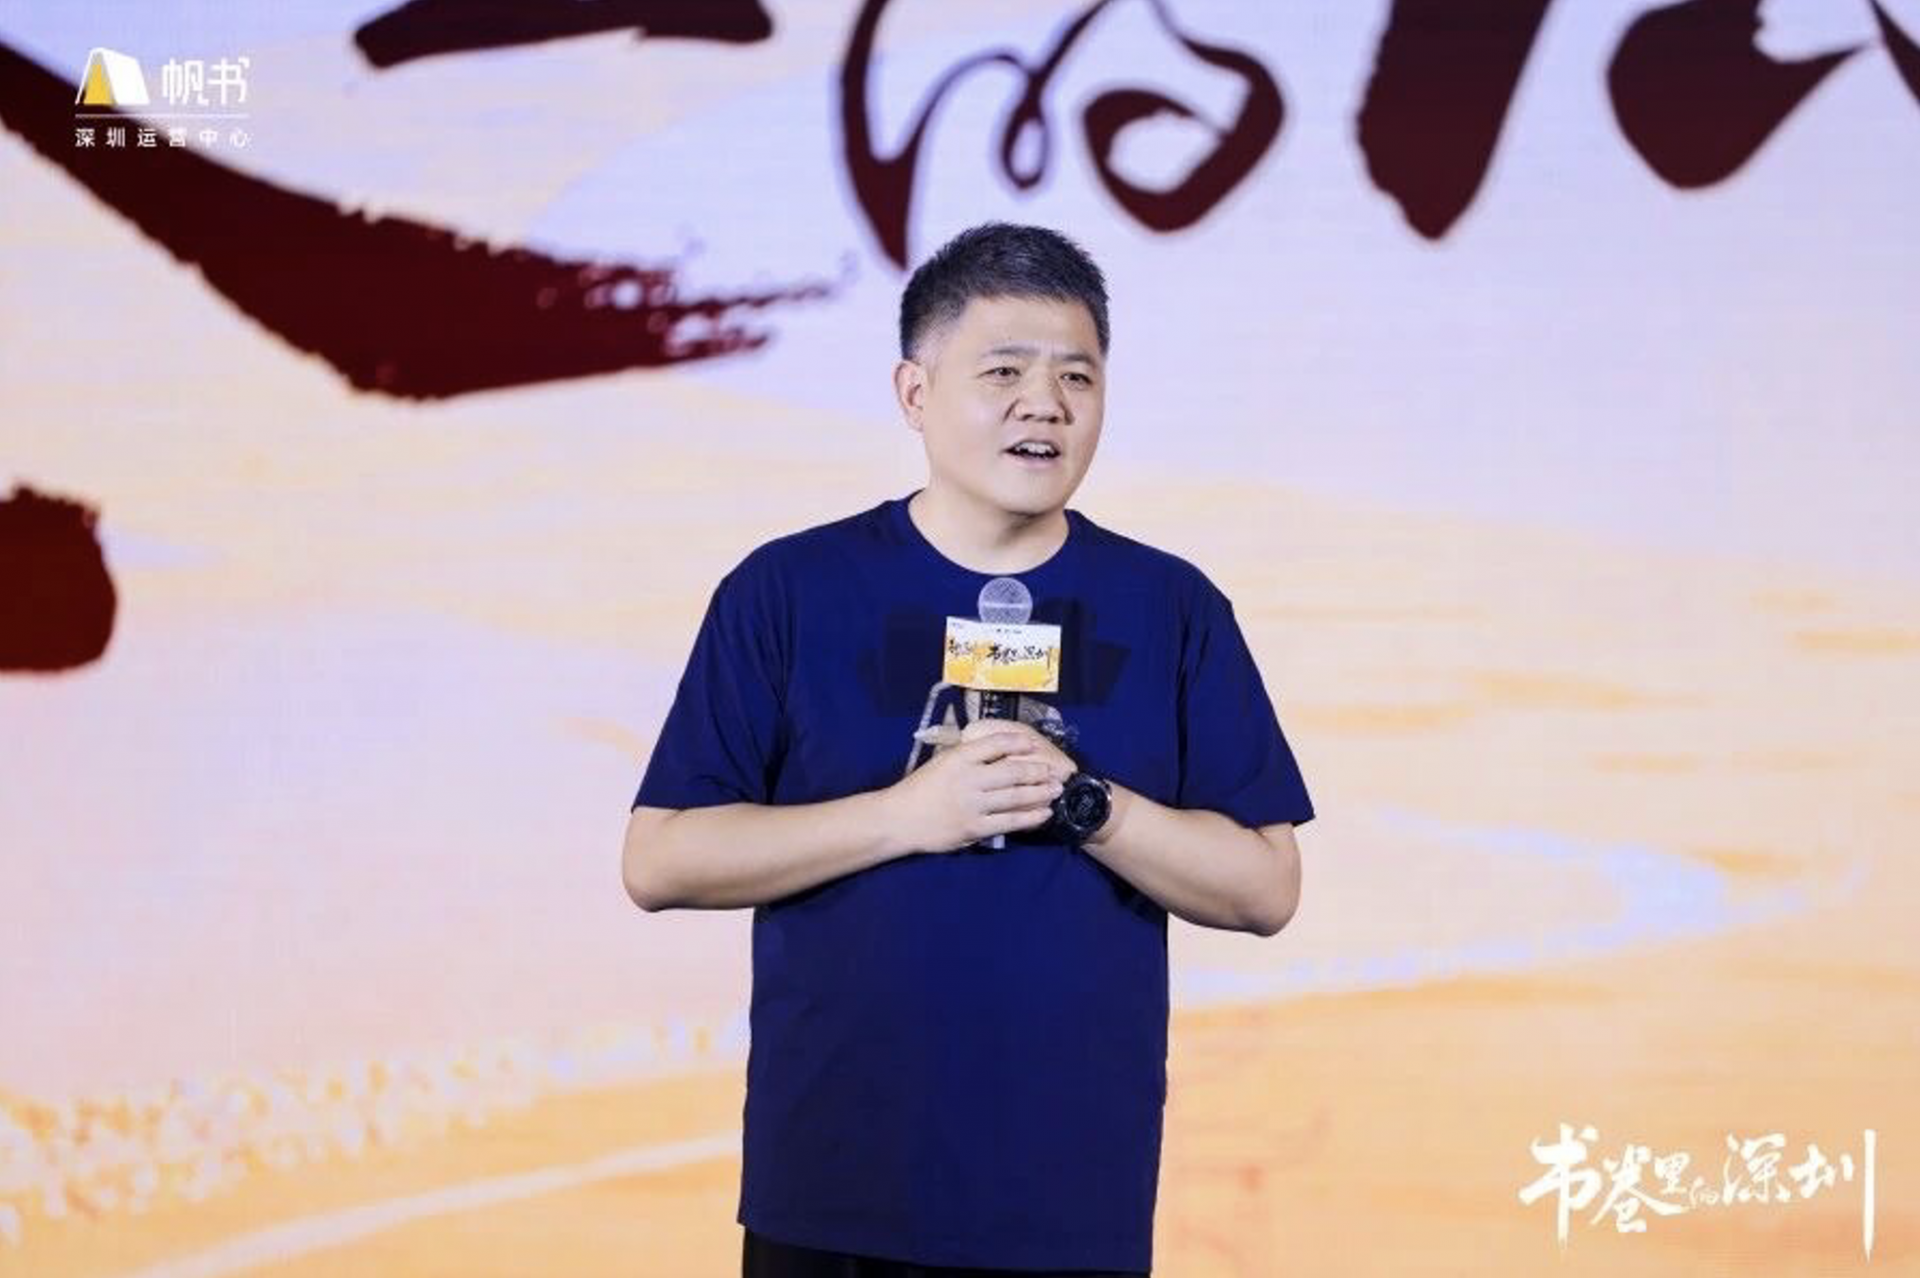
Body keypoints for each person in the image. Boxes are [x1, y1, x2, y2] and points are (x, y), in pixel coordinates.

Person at [621, 221, 1315, 1277]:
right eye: (1004, 372)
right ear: (915, 393)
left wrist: (1089, 806)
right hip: (836, 1199)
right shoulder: (788, 591)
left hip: (1068, 1205)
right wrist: (907, 817)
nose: (1046, 404)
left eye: (1077, 377)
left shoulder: (1172, 607)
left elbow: (1266, 887)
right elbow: (661, 859)